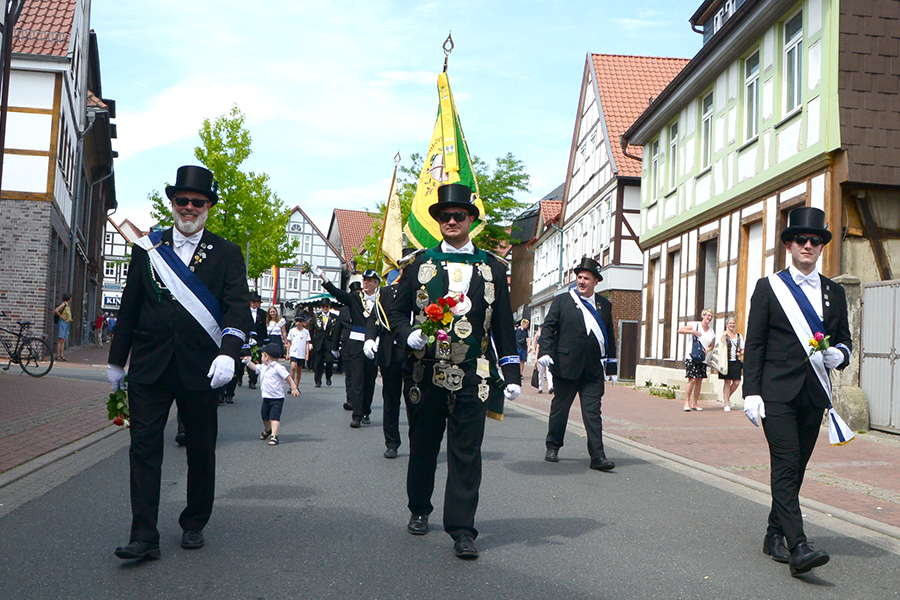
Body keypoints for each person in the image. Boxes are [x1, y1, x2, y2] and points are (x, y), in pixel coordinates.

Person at [108, 165, 251, 560]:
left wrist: (229, 352)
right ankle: (144, 536)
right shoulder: (148, 248)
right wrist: (117, 361)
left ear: (209, 206)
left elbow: (238, 308)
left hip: (202, 367)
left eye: (197, 202)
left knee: (200, 450)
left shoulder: (227, 253)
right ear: (172, 203)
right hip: (150, 365)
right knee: (143, 449)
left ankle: (194, 522)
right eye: (182, 200)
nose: (189, 207)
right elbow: (130, 306)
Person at [388, 183, 521, 560]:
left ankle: (462, 529)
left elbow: (503, 326)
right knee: (424, 444)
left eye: (458, 215)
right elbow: (394, 310)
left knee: (466, 451)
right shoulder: (418, 263)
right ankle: (419, 508)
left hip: (473, 373)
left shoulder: (493, 268)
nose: (451, 221)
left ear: (471, 220)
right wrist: (408, 333)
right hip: (425, 371)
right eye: (444, 216)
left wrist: (511, 373)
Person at [743, 206, 852, 577]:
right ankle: (798, 546)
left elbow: (845, 340)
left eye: (815, 240)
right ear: (789, 245)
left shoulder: (834, 292)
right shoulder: (769, 287)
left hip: (813, 393)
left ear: (821, 247)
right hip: (775, 393)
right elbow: (755, 344)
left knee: (796, 467)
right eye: (801, 239)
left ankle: (773, 534)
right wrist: (750, 392)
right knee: (787, 463)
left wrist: (840, 354)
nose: (808, 245)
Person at [537, 257, 618, 470]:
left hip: (592, 370)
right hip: (566, 365)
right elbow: (548, 328)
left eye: (586, 278)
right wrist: (545, 352)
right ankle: (553, 446)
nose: (581, 281)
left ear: (595, 282)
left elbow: (609, 336)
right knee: (560, 409)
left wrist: (612, 366)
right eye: (579, 277)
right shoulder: (562, 300)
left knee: (593, 413)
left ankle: (598, 457)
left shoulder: (604, 305)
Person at [313, 268, 380, 428]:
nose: (365, 283)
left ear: (376, 283)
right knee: (357, 380)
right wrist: (323, 276)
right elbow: (338, 294)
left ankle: (366, 411)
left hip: (373, 345)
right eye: (364, 280)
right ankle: (356, 415)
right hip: (356, 345)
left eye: (369, 281)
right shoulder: (356, 298)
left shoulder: (381, 300)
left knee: (369, 380)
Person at [365, 262, 410, 459]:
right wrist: (369, 339)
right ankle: (391, 442)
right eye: (404, 268)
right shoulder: (386, 292)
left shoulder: (424, 291)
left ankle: (418, 442)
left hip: (414, 353)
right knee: (391, 400)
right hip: (390, 352)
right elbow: (374, 318)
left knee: (416, 401)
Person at [243, 342, 300, 446]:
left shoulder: (278, 367)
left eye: (262, 355)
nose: (261, 358)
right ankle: (268, 429)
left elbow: (288, 377)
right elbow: (254, 367)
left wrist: (294, 388)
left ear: (267, 356)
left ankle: (274, 436)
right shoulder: (263, 367)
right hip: (266, 397)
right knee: (264, 415)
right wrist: (247, 361)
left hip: (277, 398)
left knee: (274, 417)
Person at [677, 308, 717, 411]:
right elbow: (680, 330)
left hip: (702, 358)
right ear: (703, 316)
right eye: (708, 315)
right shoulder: (695, 325)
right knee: (692, 379)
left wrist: (708, 349)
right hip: (692, 356)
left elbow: (712, 345)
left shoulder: (711, 331)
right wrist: (692, 332)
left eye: (711, 316)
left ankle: (695, 403)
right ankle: (687, 402)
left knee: (699, 380)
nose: (709, 318)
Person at [718, 316, 744, 412]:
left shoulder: (739, 336)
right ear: (727, 325)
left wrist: (740, 353)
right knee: (727, 382)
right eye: (730, 323)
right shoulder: (724, 335)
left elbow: (743, 348)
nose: (732, 325)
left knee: (737, 382)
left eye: (733, 323)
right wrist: (724, 335)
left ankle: (726, 397)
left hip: (736, 361)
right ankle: (726, 404)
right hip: (726, 361)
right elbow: (721, 345)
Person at [310, 298, 337, 387]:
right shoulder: (316, 316)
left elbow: (336, 331)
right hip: (319, 342)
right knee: (318, 363)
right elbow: (311, 329)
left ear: (329, 307)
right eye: (323, 306)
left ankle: (328, 376)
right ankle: (318, 380)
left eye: (327, 306)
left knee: (329, 361)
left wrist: (336, 343)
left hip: (329, 343)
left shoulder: (334, 317)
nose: (325, 308)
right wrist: (311, 342)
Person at [286, 317, 310, 387]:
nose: (298, 323)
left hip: (301, 353)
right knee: (293, 367)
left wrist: (307, 354)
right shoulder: (292, 331)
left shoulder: (306, 332)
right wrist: (287, 353)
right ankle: (292, 385)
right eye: (297, 321)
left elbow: (307, 343)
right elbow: (289, 342)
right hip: (293, 352)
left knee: (299, 370)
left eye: (300, 321)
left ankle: (297, 385)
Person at [531, 325, 553, 394]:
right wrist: (536, 358)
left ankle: (544, 388)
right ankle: (548, 387)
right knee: (547, 373)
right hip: (546, 356)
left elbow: (538, 348)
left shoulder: (542, 338)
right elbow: (538, 347)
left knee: (542, 373)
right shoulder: (550, 338)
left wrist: (536, 358)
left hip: (542, 357)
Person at [53, 293, 73, 361]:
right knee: (61, 339)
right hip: (62, 322)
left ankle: (61, 355)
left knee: (64, 339)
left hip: (67, 323)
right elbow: (56, 310)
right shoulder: (64, 304)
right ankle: (58, 355)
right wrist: (61, 316)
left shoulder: (67, 305)